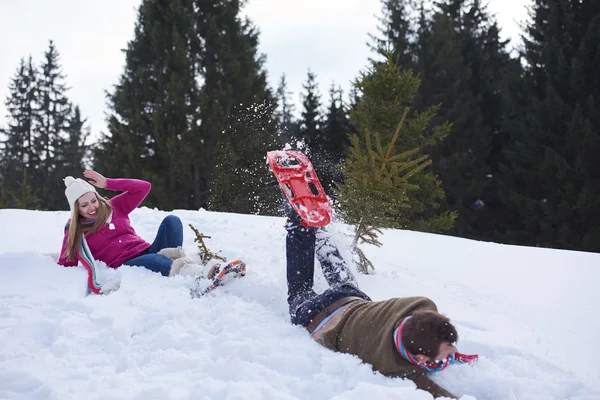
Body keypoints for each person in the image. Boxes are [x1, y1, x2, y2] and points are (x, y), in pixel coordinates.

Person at [283, 200, 477, 399]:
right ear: (421, 358)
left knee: (344, 281)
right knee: (300, 290)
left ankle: (317, 229)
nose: (453, 351)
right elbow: (432, 390)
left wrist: (440, 345)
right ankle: (298, 225)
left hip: (349, 298)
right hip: (317, 317)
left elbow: (430, 325)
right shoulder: (390, 364)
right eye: (449, 347)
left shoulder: (419, 305)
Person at [58, 170, 192, 278]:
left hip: (147, 250)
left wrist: (107, 183)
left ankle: (180, 265)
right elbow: (67, 263)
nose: (92, 207)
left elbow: (144, 187)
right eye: (84, 205)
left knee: (172, 221)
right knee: (156, 260)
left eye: (93, 200)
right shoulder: (76, 230)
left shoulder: (112, 207)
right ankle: (194, 274)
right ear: (76, 209)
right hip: (126, 263)